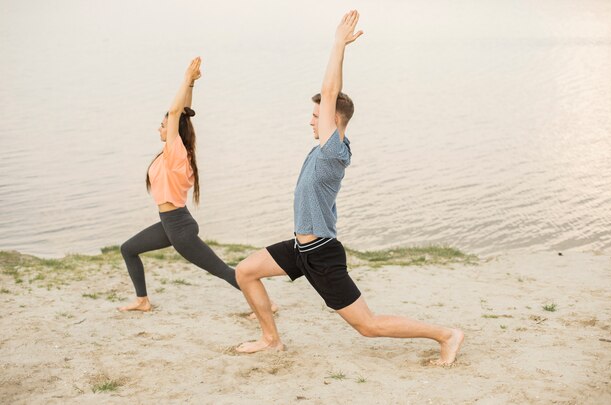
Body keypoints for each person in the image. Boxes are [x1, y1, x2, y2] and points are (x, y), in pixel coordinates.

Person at [234, 11, 464, 366]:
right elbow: (327, 99)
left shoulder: (332, 152)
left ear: (333, 119)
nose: (311, 120)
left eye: (316, 116)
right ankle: (270, 339)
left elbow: (329, 92)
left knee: (368, 326)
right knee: (245, 271)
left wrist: (338, 44)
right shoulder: (320, 148)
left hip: (322, 254)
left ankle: (446, 335)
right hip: (300, 248)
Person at [118, 57, 240, 311]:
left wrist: (185, 79)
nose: (160, 129)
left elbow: (175, 113)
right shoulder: (170, 154)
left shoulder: (176, 154)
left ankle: (267, 303)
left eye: (163, 125)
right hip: (170, 224)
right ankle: (142, 300)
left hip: (180, 229)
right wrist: (192, 86)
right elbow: (182, 114)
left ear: (172, 130)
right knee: (128, 249)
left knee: (222, 270)